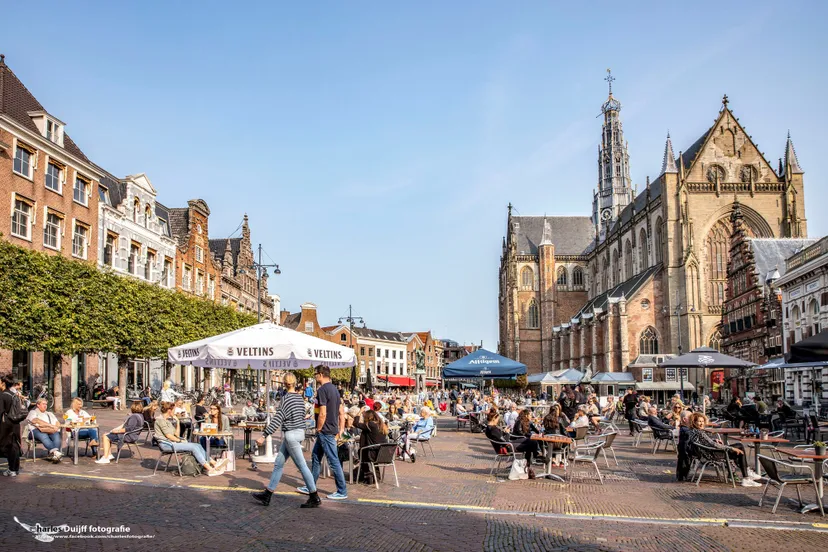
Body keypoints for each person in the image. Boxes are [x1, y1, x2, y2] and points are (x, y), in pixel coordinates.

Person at [251, 373, 320, 508]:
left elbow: (278, 418)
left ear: (284, 384)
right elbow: (302, 415)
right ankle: (268, 494)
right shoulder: (300, 398)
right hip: (299, 433)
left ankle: (314, 496)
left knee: (302, 466)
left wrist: (264, 435)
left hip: (291, 435)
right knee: (279, 463)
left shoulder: (286, 399)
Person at [297, 366, 348, 501]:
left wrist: (319, 428)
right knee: (315, 456)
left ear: (320, 374)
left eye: (315, 374)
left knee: (333, 460)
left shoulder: (322, 390)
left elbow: (323, 413)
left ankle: (342, 490)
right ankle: (311, 486)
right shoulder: (335, 390)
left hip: (325, 430)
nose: (314, 376)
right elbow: (341, 412)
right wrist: (341, 429)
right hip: (331, 429)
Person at [686, 412, 761, 487]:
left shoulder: (692, 431)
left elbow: (705, 442)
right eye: (699, 421)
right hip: (712, 454)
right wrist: (731, 448)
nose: (702, 423)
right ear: (694, 422)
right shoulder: (700, 432)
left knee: (738, 450)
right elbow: (714, 445)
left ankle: (745, 474)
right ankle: (746, 475)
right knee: (739, 447)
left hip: (705, 453)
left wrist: (714, 440)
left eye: (702, 421)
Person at [155, 401, 225, 476]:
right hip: (167, 444)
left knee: (197, 445)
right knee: (193, 447)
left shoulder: (167, 420)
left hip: (172, 442)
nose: (175, 412)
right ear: (169, 411)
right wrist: (180, 441)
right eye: (174, 410)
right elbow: (169, 436)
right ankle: (209, 469)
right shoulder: (160, 420)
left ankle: (214, 463)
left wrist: (177, 421)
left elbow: (176, 434)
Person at [352, 409, 388, 484]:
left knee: (361, 452)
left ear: (367, 417)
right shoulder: (381, 424)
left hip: (372, 454)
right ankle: (377, 477)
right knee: (365, 452)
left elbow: (355, 423)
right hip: (382, 453)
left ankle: (368, 474)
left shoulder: (370, 424)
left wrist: (360, 411)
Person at [0, 377, 26, 475]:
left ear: (3, 383)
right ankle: (14, 469)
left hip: (6, 424)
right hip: (15, 423)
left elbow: (1, 411)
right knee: (14, 446)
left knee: (6, 446)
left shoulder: (2, 395)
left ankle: (12, 469)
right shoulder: (13, 394)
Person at [25, 397, 63, 462]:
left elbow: (57, 422)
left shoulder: (49, 413)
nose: (45, 406)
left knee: (56, 435)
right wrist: (50, 425)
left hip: (49, 430)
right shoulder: (33, 412)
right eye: (43, 404)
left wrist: (56, 427)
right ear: (38, 405)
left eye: (46, 404)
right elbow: (35, 420)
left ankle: (55, 455)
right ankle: (56, 453)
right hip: (35, 431)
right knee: (43, 435)